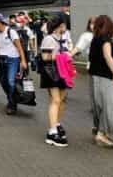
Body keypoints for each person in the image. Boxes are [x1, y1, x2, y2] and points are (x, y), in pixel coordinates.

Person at [88, 15, 113, 147]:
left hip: (94, 76)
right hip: (105, 77)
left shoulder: (95, 39)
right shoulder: (105, 40)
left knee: (99, 105)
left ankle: (99, 130)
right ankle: (101, 134)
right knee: (108, 106)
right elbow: (107, 56)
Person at [0, 13, 28, 115]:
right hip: (1, 60)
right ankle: (11, 98)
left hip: (12, 60)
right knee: (2, 81)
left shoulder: (11, 32)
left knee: (11, 81)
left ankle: (12, 104)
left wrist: (23, 61)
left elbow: (19, 48)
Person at [39, 16, 71, 147]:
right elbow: (45, 57)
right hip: (51, 72)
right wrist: (60, 56)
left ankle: (56, 124)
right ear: (59, 25)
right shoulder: (48, 39)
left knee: (61, 101)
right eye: (64, 24)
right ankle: (52, 132)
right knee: (56, 100)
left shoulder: (64, 38)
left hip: (63, 71)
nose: (65, 27)